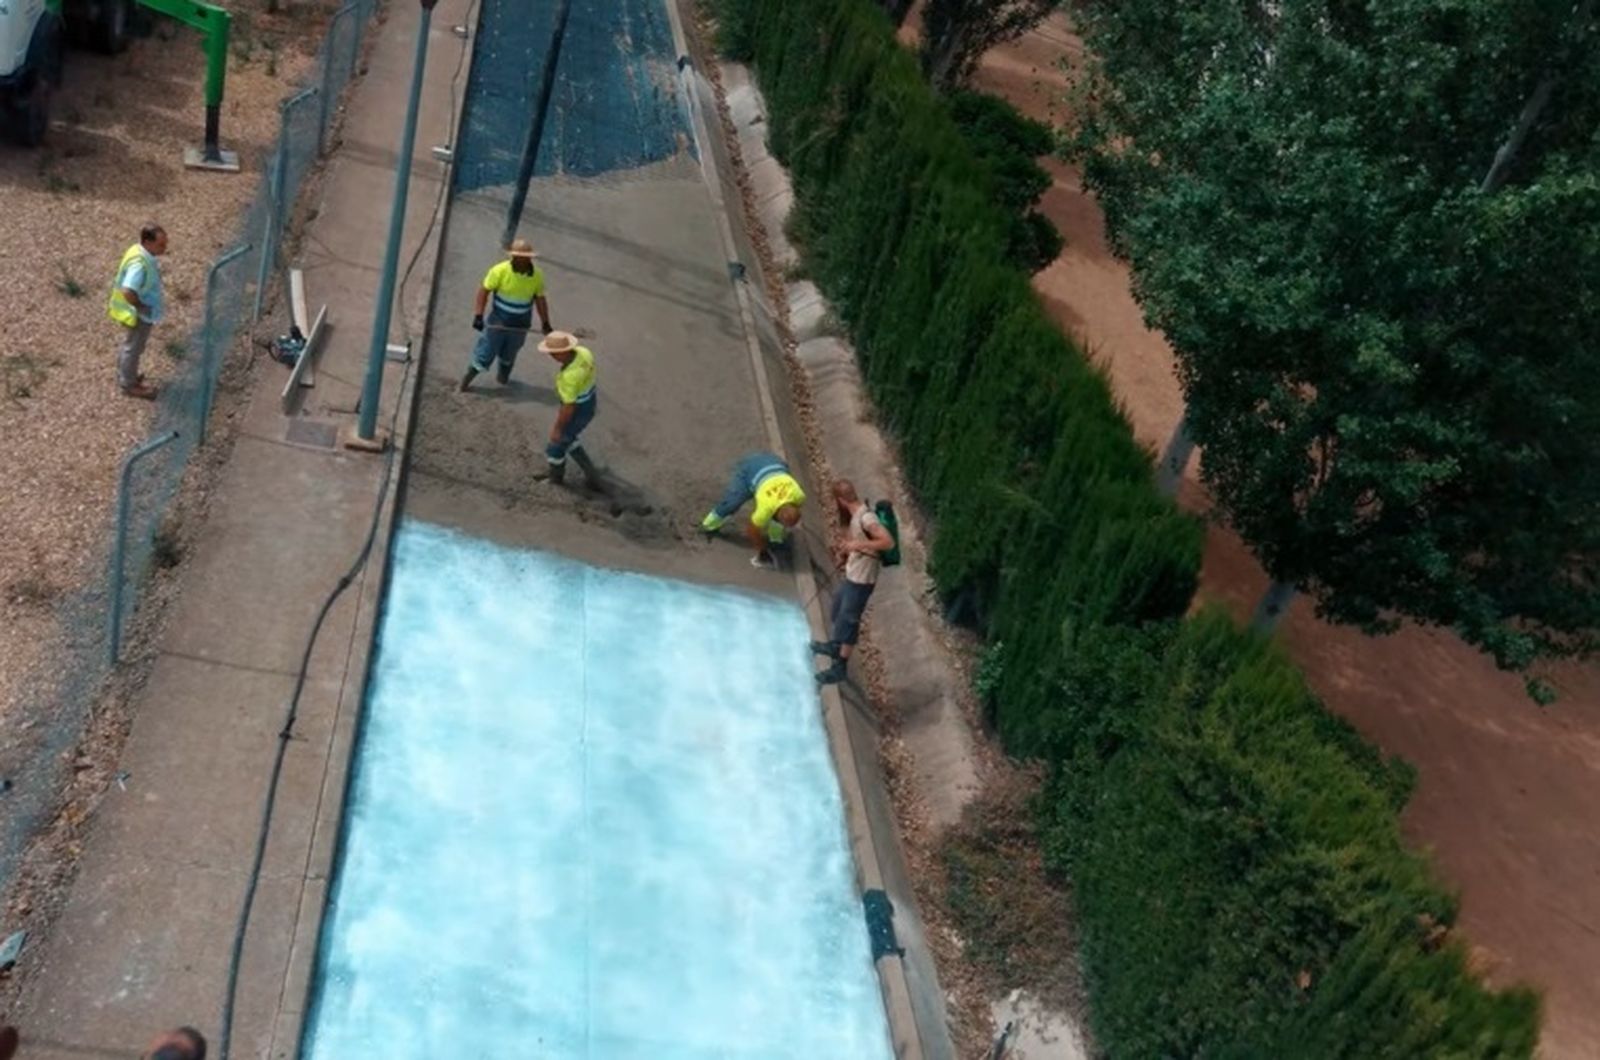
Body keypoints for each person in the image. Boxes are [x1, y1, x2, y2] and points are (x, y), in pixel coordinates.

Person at [811, 480, 894, 684]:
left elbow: (887, 542)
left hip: (862, 580)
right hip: (852, 574)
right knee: (837, 610)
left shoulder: (867, 518)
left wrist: (857, 544)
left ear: (839, 500)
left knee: (848, 621)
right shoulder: (856, 517)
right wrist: (847, 555)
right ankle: (835, 646)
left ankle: (840, 668)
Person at [460, 237, 553, 391]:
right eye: (518, 258)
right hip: (498, 321)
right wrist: (478, 315)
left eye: (525, 258)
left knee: (510, 354)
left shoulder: (537, 276)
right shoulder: (499, 271)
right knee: (486, 352)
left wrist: (546, 323)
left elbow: (540, 300)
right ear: (513, 257)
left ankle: (502, 380)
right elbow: (484, 291)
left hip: (521, 324)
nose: (521, 261)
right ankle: (464, 383)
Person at [700, 452, 805, 568]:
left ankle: (775, 537)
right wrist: (762, 550)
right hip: (750, 470)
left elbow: (785, 514)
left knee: (777, 524)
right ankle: (708, 526)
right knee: (731, 504)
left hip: (774, 462)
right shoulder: (765, 509)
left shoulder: (799, 495)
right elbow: (752, 531)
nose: (789, 528)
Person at [107, 224, 168, 400]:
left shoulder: (138, 251)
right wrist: (141, 306)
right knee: (133, 347)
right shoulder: (139, 265)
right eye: (160, 245)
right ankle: (129, 384)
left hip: (133, 311)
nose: (164, 249)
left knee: (131, 345)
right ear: (147, 242)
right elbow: (128, 290)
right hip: (137, 313)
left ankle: (126, 375)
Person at [534, 331, 597, 486]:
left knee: (556, 445)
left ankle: (556, 478)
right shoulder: (584, 352)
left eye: (553, 353)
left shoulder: (570, 377)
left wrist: (557, 429)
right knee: (569, 438)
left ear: (561, 353)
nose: (551, 356)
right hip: (590, 400)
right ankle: (591, 474)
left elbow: (569, 407)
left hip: (578, 409)